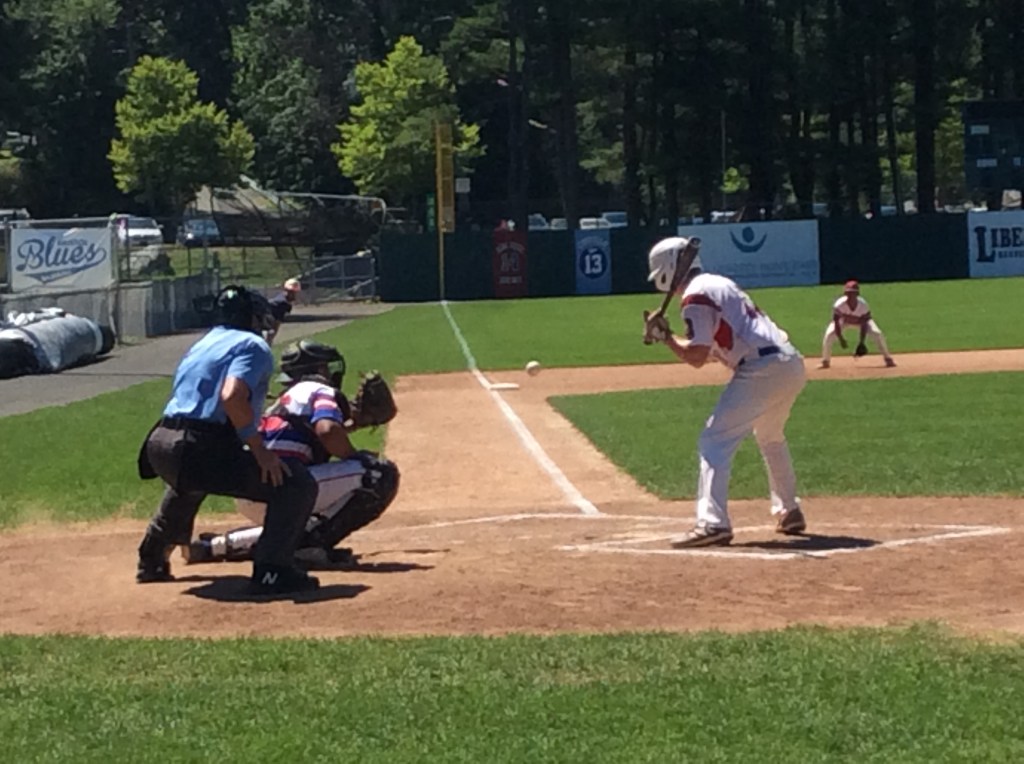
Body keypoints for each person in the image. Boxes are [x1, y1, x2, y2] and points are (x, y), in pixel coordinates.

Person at [135, 285, 320, 594]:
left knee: (190, 481)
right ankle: (273, 570)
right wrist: (260, 450)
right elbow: (232, 396)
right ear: (251, 318)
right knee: (295, 484)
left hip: (160, 442)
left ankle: (151, 559)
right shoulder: (253, 345)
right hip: (199, 444)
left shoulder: (205, 342)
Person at [642, 237, 808, 547]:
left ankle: (713, 523)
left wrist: (667, 339)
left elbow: (696, 357)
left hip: (761, 367)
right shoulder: (717, 283)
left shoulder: (694, 296)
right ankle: (789, 509)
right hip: (789, 363)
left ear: (666, 269)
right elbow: (707, 352)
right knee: (770, 435)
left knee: (714, 439)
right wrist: (668, 336)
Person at [183, 339, 400, 568]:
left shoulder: (285, 399)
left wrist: (353, 424)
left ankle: (216, 545)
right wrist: (355, 456)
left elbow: (308, 437)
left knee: (303, 522)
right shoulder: (320, 389)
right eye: (327, 367)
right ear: (319, 369)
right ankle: (309, 546)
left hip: (254, 489)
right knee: (378, 474)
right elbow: (327, 431)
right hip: (286, 488)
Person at [819, 280, 896, 369]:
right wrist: (841, 339)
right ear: (845, 293)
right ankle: (825, 361)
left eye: (853, 293)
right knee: (829, 335)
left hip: (861, 322)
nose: (850, 295)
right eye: (848, 293)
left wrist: (862, 342)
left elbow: (864, 324)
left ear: (857, 294)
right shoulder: (839, 304)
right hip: (844, 322)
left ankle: (888, 359)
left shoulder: (863, 305)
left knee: (877, 333)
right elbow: (836, 322)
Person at [265, 278, 301, 345]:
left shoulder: (282, 297)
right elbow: (276, 324)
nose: (293, 295)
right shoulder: (284, 304)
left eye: (294, 292)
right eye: (291, 292)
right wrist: (269, 341)